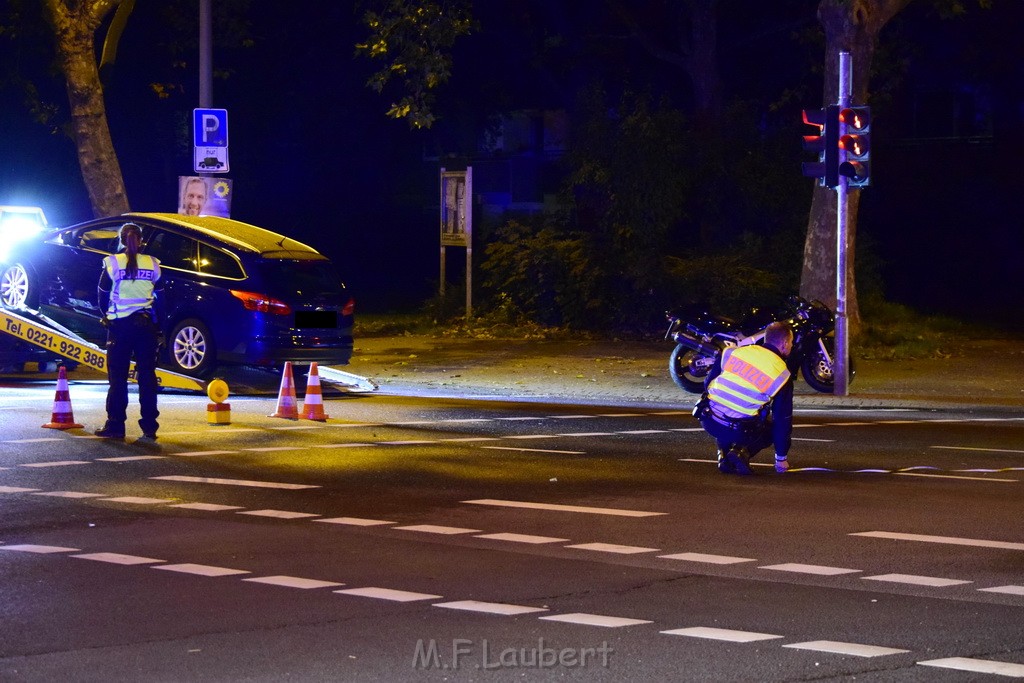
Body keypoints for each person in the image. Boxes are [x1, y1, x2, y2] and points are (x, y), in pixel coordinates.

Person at [694, 321, 795, 475]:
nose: (792, 346)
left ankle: (723, 456)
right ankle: (741, 452)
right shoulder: (782, 375)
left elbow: (708, 383)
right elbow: (782, 420)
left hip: (707, 419)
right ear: (784, 343)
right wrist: (781, 458)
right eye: (791, 342)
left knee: (725, 406)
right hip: (737, 430)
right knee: (769, 428)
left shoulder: (733, 352)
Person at [95, 223, 163, 440]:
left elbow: (102, 295)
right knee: (147, 377)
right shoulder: (153, 264)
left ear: (122, 240)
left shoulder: (112, 263)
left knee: (118, 378)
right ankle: (150, 427)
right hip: (145, 327)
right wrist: (158, 326)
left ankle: (115, 426)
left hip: (119, 328)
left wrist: (107, 316)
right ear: (141, 240)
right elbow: (161, 299)